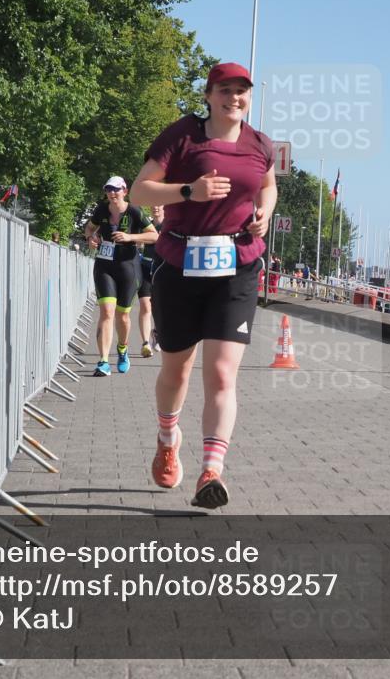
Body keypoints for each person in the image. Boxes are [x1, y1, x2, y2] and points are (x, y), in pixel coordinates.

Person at [128, 62, 277, 509]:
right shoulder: (183, 136)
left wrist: (264, 210)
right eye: (226, 90)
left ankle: (211, 470)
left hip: (238, 265)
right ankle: (168, 438)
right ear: (209, 94)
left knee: (221, 373)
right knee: (177, 370)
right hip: (180, 262)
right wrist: (188, 191)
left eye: (243, 91)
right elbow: (139, 192)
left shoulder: (259, 144)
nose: (235, 98)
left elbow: (267, 185)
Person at [84, 176, 159, 376]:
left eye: (116, 189)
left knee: (122, 315)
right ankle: (103, 361)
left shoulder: (134, 211)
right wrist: (90, 238)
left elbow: (154, 235)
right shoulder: (101, 210)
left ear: (124, 191)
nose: (112, 193)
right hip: (104, 265)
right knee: (106, 312)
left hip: (128, 266)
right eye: (109, 189)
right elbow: (90, 228)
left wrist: (130, 237)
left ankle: (123, 349)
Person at [136, 205, 165, 357]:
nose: (156, 208)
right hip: (145, 267)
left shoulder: (170, 225)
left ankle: (157, 332)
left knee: (161, 306)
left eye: (159, 205)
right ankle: (145, 343)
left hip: (163, 270)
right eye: (153, 205)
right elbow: (137, 241)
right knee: (145, 306)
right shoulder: (146, 225)